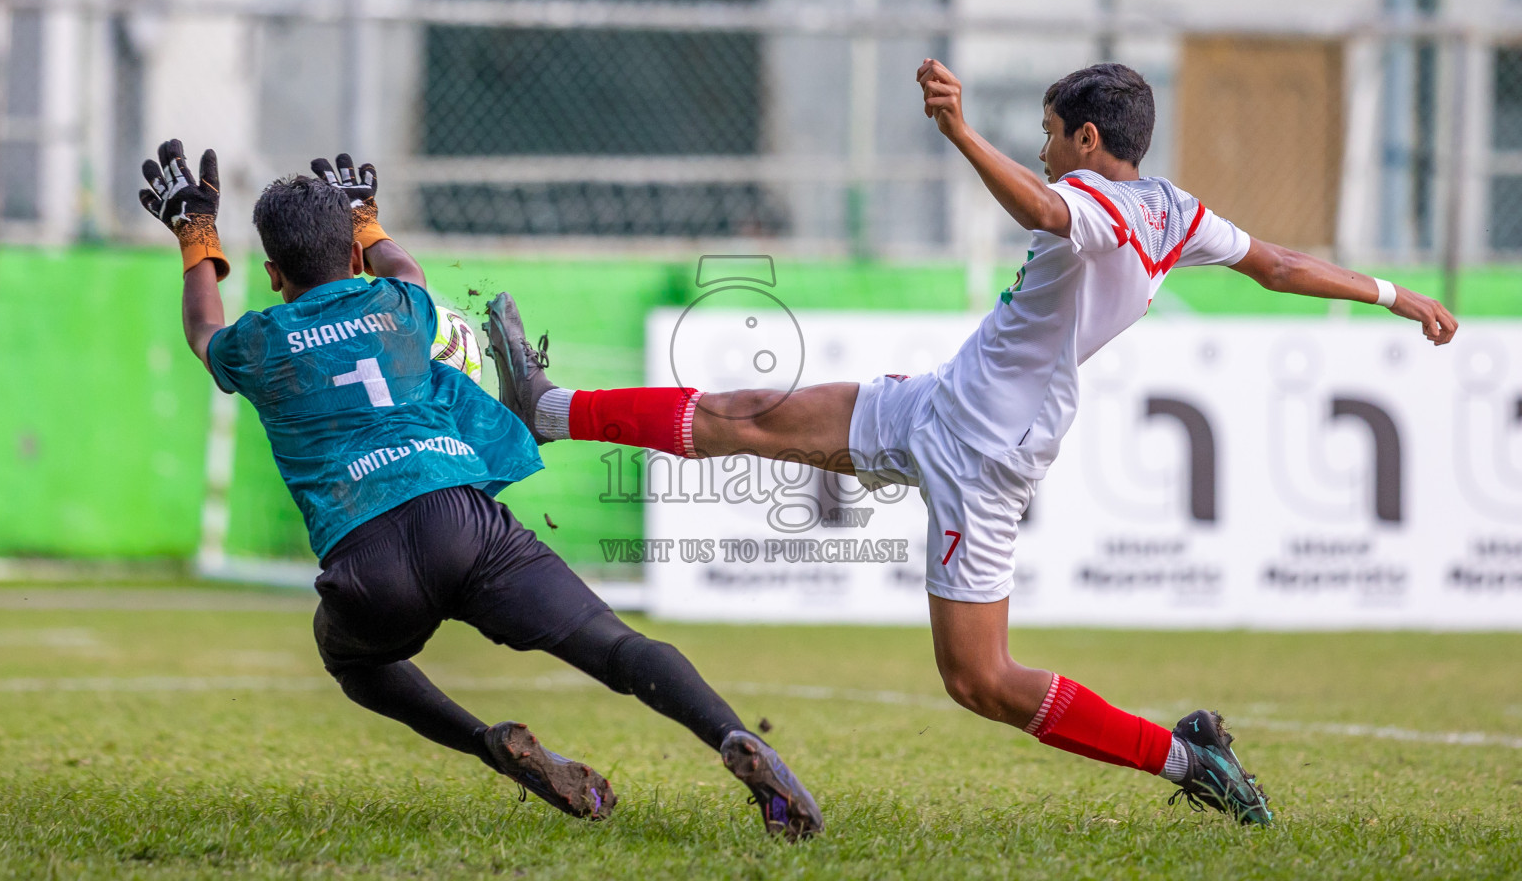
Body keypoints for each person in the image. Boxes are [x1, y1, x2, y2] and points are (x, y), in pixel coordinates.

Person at [483, 60, 1460, 826]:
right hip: (948, 403)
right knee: (753, 414)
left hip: (983, 455)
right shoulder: (1173, 209)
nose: (1042, 150)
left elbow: (1042, 207)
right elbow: (1278, 264)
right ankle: (548, 408)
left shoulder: (1093, 207)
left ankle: (1186, 758)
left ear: (1086, 138)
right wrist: (1390, 292)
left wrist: (957, 128)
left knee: (979, 680)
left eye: (1048, 133)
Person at [137, 141, 823, 840]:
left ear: (274, 272)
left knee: (349, 657)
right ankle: (734, 737)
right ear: (351, 259)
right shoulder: (400, 305)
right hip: (462, 522)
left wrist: (198, 236)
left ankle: (486, 744)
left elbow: (204, 331)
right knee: (615, 646)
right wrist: (367, 220)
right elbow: (404, 266)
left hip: (366, 559)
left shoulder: (260, 341)